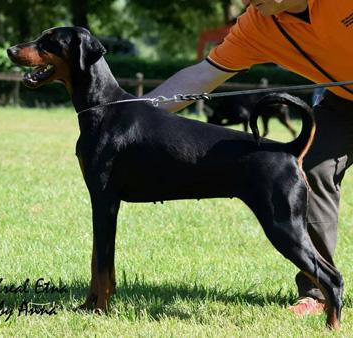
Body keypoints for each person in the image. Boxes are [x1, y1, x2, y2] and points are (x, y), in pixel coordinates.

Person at [146, 0, 353, 315]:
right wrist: (131, 111)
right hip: (344, 104)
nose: (248, 1)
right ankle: (320, 290)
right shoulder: (257, 24)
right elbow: (201, 76)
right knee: (308, 169)